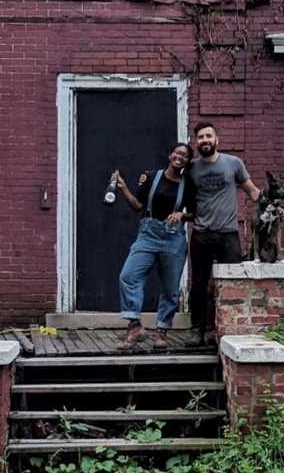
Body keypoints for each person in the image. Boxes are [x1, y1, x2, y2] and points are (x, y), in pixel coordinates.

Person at [112, 141, 196, 350]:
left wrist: (182, 214)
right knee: (128, 275)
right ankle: (134, 325)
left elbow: (196, 211)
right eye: (177, 153)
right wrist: (123, 188)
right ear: (170, 155)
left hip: (173, 238)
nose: (179, 157)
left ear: (187, 161)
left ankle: (162, 331)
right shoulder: (151, 177)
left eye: (184, 156)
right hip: (148, 235)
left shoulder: (189, 184)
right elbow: (138, 206)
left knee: (170, 289)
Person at [186, 121, 261, 343]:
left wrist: (272, 210)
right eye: (201, 137)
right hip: (201, 234)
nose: (205, 140)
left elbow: (252, 191)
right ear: (196, 142)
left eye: (209, 136)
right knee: (199, 284)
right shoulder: (191, 168)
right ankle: (198, 330)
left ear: (217, 139)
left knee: (232, 282)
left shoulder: (233, 163)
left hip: (228, 234)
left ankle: (225, 329)